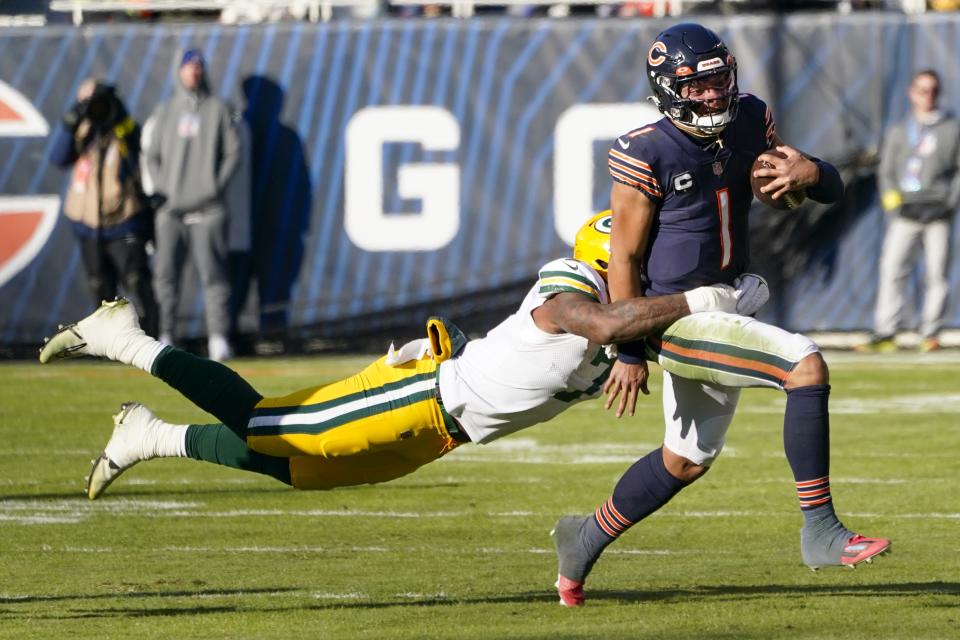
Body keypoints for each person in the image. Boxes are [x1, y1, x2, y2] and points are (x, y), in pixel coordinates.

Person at [39, 212, 750, 501]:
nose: (648, 278)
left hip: (446, 431)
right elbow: (600, 322)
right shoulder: (577, 288)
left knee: (301, 472)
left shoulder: (625, 316)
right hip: (424, 396)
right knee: (269, 427)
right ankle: (122, 336)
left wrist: (741, 297)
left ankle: (150, 436)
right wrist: (703, 300)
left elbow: (654, 330)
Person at [551, 23, 889, 607]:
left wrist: (813, 173)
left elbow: (810, 187)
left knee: (684, 460)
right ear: (666, 89)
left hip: (729, 297)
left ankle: (582, 540)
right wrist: (629, 350)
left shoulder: (750, 116)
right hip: (674, 315)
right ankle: (821, 531)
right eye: (695, 85)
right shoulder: (644, 149)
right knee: (803, 365)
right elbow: (627, 257)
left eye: (716, 80)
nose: (710, 94)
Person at [144, 48, 240, 361]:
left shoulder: (217, 109)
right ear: (178, 71)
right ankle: (166, 336)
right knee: (166, 276)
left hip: (209, 209)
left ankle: (218, 339)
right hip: (171, 211)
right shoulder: (166, 111)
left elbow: (232, 154)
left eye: (198, 67)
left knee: (214, 277)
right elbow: (152, 155)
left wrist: (214, 186)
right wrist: (163, 188)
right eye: (188, 67)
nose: (193, 72)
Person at [856, 70, 960, 353]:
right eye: (922, 90)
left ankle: (931, 333)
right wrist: (893, 202)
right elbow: (887, 170)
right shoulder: (900, 130)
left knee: (936, 274)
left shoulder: (952, 129)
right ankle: (887, 331)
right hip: (905, 212)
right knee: (892, 270)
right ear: (911, 93)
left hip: (938, 212)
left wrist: (950, 202)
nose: (928, 96)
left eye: (933, 90)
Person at [49, 78, 159, 337]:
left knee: (136, 281)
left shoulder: (121, 124)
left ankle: (151, 340)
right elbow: (58, 158)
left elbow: (137, 146)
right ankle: (108, 346)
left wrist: (120, 116)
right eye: (87, 101)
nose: (95, 107)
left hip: (124, 218)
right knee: (99, 287)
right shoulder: (82, 130)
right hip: (88, 222)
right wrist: (71, 122)